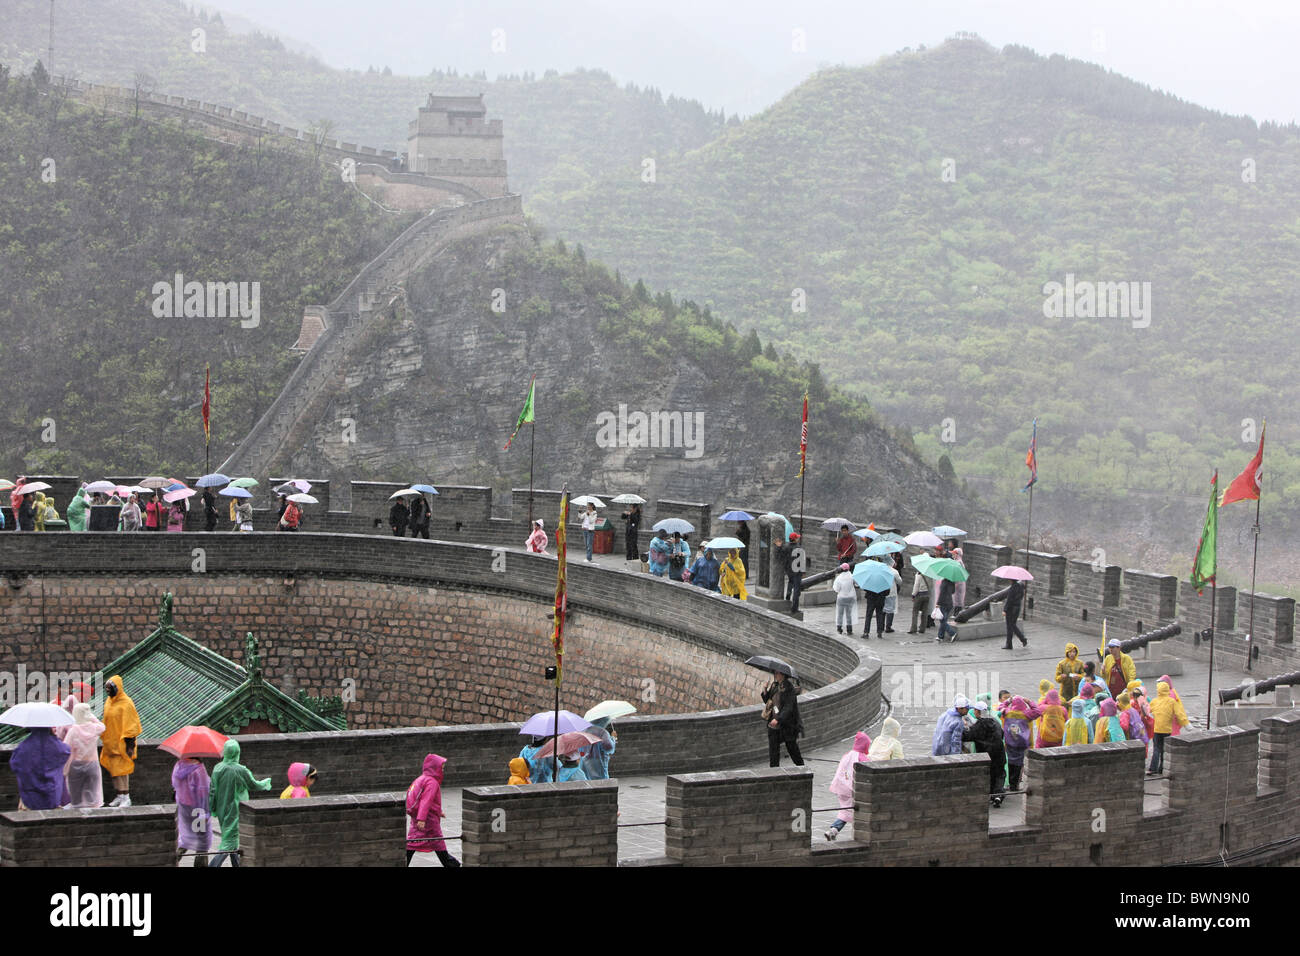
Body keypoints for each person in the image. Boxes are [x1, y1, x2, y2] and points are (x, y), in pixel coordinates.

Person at [209, 739, 272, 866]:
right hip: (236, 809)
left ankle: (237, 864)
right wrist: (265, 782)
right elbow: (254, 785)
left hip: (222, 809)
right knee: (229, 842)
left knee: (231, 839)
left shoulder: (217, 768)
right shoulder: (240, 770)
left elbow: (212, 791)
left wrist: (212, 807)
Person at [406, 753, 460, 867]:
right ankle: (451, 863)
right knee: (436, 841)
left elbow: (426, 800)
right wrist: (422, 819)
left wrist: (438, 811)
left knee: (413, 841)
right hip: (428, 819)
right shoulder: (432, 782)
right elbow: (426, 800)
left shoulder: (422, 779)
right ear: (435, 768)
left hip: (421, 816)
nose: (442, 770)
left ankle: (450, 862)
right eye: (441, 768)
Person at [99, 674, 141, 807]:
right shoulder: (109, 702)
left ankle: (126, 796)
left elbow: (131, 724)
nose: (108, 691)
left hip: (122, 743)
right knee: (114, 771)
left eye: (110, 688)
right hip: (110, 743)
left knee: (123, 771)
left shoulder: (126, 703)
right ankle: (119, 794)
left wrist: (129, 745)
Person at [825, 731, 871, 840]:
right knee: (849, 811)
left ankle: (834, 830)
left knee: (845, 809)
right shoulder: (862, 758)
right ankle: (834, 829)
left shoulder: (847, 754)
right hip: (851, 789)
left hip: (841, 788)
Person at [11, 728, 71, 810]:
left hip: (30, 797)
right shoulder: (58, 746)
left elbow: (14, 765)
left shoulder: (23, 747)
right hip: (52, 796)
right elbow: (66, 751)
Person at [963, 699, 1007, 806]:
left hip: (987, 754)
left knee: (990, 774)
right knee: (1000, 774)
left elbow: (967, 736)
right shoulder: (995, 722)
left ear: (978, 712)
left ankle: (992, 794)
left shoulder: (979, 725)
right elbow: (1001, 734)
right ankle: (997, 795)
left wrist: (964, 727)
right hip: (999, 753)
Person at [64, 701, 105, 809]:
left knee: (75, 794)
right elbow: (102, 726)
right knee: (93, 794)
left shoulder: (73, 730)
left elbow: (66, 747)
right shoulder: (95, 728)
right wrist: (92, 717)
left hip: (76, 765)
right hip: (92, 764)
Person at [172, 755, 212, 864]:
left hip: (184, 809)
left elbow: (174, 785)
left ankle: (173, 860)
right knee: (202, 843)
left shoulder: (179, 765)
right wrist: (205, 814)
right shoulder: (199, 769)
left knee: (186, 839)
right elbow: (203, 792)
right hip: (198, 811)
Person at [762, 669, 804, 766]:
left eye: (777, 673)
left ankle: (801, 768)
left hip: (787, 725)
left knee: (792, 748)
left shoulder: (789, 688)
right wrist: (765, 690)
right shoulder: (774, 685)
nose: (775, 675)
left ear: (783, 675)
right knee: (773, 751)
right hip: (773, 724)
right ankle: (774, 772)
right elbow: (768, 701)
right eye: (775, 672)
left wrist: (778, 719)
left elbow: (788, 708)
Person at [1147, 680, 1190, 775]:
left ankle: (1152, 768)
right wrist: (1186, 724)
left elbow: (1148, 712)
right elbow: (1179, 714)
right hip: (1167, 729)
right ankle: (1162, 768)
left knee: (1156, 748)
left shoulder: (1154, 701)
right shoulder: (1172, 702)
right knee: (1164, 749)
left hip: (1156, 729)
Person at [999, 695, 1040, 791]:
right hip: (1022, 743)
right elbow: (1038, 711)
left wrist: (1008, 701)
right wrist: (1029, 701)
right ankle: (1015, 785)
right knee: (1019, 763)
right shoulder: (1026, 714)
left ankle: (1010, 782)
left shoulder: (1007, 712)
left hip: (1009, 742)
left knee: (1010, 761)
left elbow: (1000, 707)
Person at [782, 532, 805, 614]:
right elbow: (802, 561)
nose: (798, 539)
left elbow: (782, 556)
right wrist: (803, 572)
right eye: (797, 538)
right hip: (797, 571)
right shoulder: (799, 548)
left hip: (789, 570)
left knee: (790, 582)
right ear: (795, 539)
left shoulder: (785, 547)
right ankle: (794, 608)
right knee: (796, 590)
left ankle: (787, 597)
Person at [1002, 578, 1028, 648]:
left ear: (1011, 580)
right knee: (1012, 625)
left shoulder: (1012, 588)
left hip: (1011, 609)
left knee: (1011, 626)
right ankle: (1009, 644)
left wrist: (1005, 610)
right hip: (1017, 608)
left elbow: (1009, 600)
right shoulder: (1020, 588)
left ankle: (1022, 639)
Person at [833, 563, 857, 635]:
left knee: (840, 614)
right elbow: (857, 584)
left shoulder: (839, 578)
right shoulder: (852, 576)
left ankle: (839, 628)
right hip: (851, 597)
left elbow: (836, 589)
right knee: (849, 614)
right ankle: (849, 629)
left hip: (842, 597)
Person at [909, 566, 932, 634]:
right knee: (924, 613)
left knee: (915, 612)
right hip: (927, 594)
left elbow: (916, 586)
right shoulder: (930, 574)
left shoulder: (918, 575)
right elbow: (931, 585)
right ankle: (922, 628)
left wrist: (913, 595)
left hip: (919, 595)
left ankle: (913, 628)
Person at [934, 577, 958, 642]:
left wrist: (938, 603)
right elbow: (953, 592)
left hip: (943, 603)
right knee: (944, 619)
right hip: (950, 603)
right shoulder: (952, 582)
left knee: (942, 621)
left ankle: (952, 633)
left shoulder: (944, 582)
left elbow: (941, 594)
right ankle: (940, 636)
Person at [949, 544, 967, 617]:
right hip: (958, 583)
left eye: (954, 554)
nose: (952, 555)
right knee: (957, 598)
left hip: (958, 583)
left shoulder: (958, 562)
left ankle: (957, 614)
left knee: (958, 599)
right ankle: (956, 613)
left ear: (957, 554)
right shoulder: (958, 561)